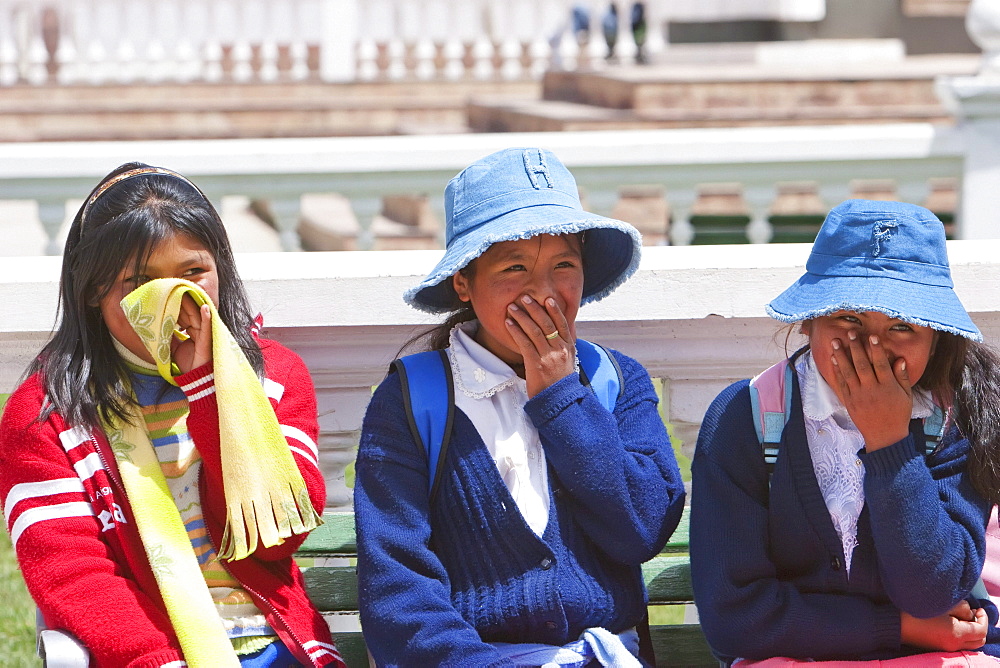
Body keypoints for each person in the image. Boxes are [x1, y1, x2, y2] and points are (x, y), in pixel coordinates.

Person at [0, 163, 344, 667]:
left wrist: (208, 389)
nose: (172, 301)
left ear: (220, 269)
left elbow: (275, 539)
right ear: (95, 290)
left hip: (281, 645)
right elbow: (74, 574)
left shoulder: (273, 377)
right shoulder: (43, 412)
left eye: (192, 273)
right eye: (139, 281)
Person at [354, 147, 686, 667]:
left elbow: (640, 530)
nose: (544, 293)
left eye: (563, 266)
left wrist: (561, 397)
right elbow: (398, 583)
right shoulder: (412, 400)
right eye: (514, 268)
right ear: (464, 281)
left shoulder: (615, 382)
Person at [690, 199, 1000, 666]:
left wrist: (890, 444)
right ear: (811, 320)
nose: (872, 347)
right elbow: (735, 618)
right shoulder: (747, 419)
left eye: (901, 327)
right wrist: (896, 628)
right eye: (849, 319)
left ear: (936, 338)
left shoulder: (954, 420)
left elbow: (934, 591)